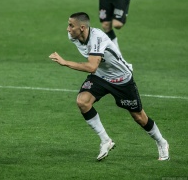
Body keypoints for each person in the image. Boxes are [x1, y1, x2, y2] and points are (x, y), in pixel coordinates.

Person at [49, 12, 169, 161]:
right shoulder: (74, 37)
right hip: (101, 76)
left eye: (71, 25)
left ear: (82, 27)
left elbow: (92, 66)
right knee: (82, 102)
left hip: (121, 78)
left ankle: (161, 142)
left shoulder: (97, 38)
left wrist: (65, 62)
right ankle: (106, 140)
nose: (67, 29)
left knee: (139, 116)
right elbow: (95, 66)